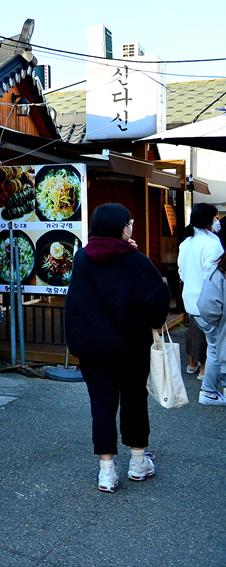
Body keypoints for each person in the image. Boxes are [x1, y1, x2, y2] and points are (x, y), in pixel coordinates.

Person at [65, 204, 170, 492]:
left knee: (102, 404)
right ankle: (138, 463)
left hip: (93, 348)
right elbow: (158, 300)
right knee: (134, 399)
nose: (131, 227)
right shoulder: (136, 261)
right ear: (120, 227)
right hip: (131, 347)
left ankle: (107, 472)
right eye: (129, 223)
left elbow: (75, 303)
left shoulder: (82, 258)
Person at [178, 203, 222, 384]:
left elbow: (181, 273)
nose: (218, 221)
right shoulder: (212, 244)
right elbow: (214, 280)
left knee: (210, 344)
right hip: (209, 304)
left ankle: (207, 384)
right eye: (216, 217)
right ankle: (210, 388)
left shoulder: (186, 243)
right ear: (208, 220)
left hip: (190, 302)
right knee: (215, 348)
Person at [196, 249, 226, 404]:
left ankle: (208, 391)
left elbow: (207, 307)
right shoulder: (213, 244)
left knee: (214, 348)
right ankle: (208, 391)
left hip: (194, 304)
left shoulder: (220, 270)